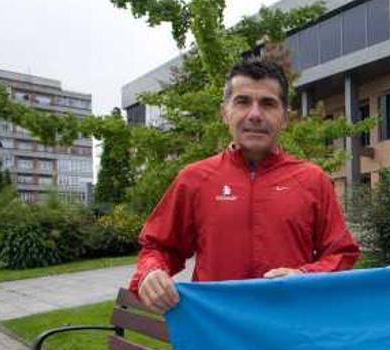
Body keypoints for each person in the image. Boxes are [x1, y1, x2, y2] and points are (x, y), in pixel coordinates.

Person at [130, 58, 360, 313]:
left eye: (268, 104)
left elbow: (341, 253)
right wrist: (151, 272)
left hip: (291, 330)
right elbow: (158, 246)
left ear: (284, 117)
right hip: (219, 333)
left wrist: (305, 275)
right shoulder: (194, 179)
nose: (255, 114)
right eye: (242, 102)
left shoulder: (312, 180)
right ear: (225, 112)